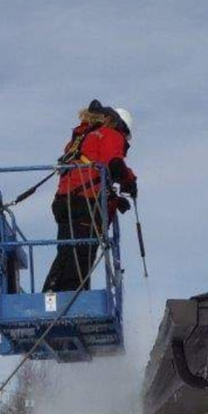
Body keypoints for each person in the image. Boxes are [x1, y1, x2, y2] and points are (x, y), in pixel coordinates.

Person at [42, 100, 138, 292]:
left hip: (65, 201)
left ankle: (49, 298)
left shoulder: (81, 138)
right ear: (121, 126)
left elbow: (89, 172)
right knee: (80, 258)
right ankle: (70, 305)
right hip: (85, 204)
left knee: (67, 253)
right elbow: (115, 166)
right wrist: (130, 182)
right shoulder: (111, 135)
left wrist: (114, 199)